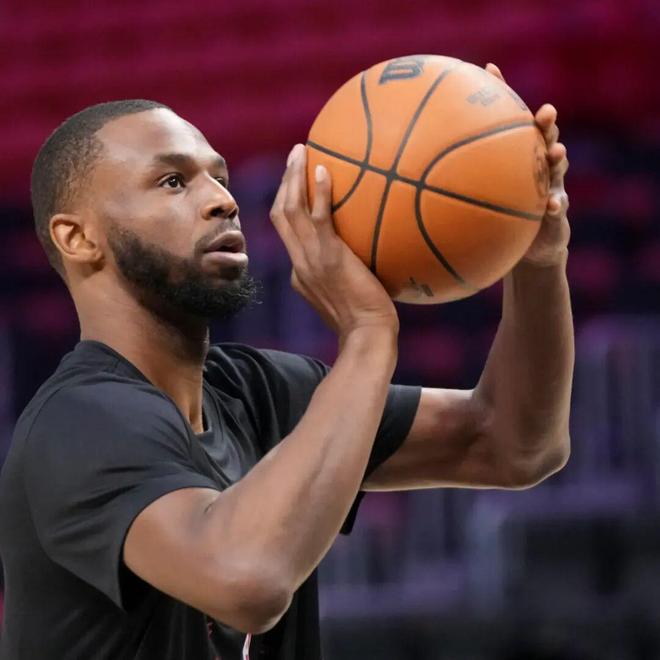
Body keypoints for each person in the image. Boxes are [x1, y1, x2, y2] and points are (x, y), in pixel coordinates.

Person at [0, 63, 573, 659]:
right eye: (173, 182)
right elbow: (248, 579)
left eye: (220, 178)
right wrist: (368, 334)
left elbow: (511, 443)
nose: (222, 201)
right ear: (77, 238)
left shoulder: (262, 393)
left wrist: (536, 259)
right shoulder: (78, 422)